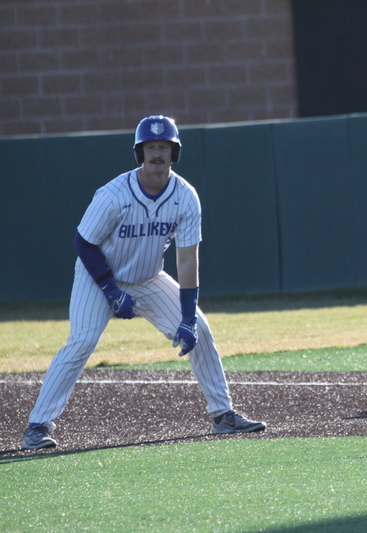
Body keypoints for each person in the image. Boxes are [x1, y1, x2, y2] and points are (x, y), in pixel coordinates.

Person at [22, 115, 265, 450]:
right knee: (81, 341)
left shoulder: (185, 197)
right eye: (150, 147)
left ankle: (222, 415)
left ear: (173, 153)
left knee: (202, 331)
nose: (157, 154)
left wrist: (187, 316)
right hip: (99, 276)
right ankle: (38, 425)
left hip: (148, 278)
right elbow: (84, 242)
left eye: (163, 147)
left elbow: (187, 259)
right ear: (140, 153)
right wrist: (109, 288)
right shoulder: (114, 194)